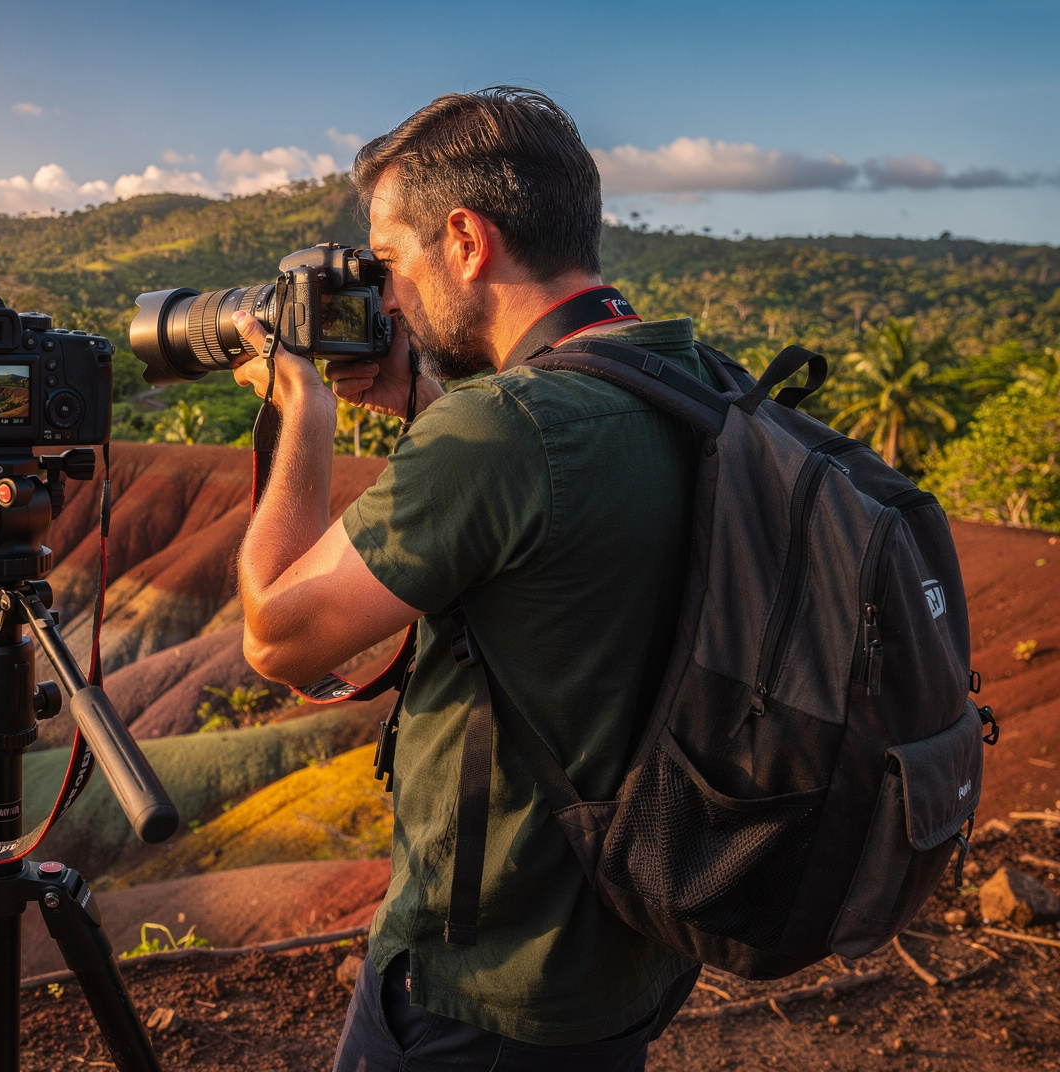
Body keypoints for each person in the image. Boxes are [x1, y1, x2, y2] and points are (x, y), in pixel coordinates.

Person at [228, 87, 705, 1071]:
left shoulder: (499, 432)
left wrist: (301, 411)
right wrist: (425, 397)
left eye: (391, 265)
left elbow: (278, 636)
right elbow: (555, 528)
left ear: (466, 241)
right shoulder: (687, 379)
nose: (386, 300)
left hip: (483, 989)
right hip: (628, 956)